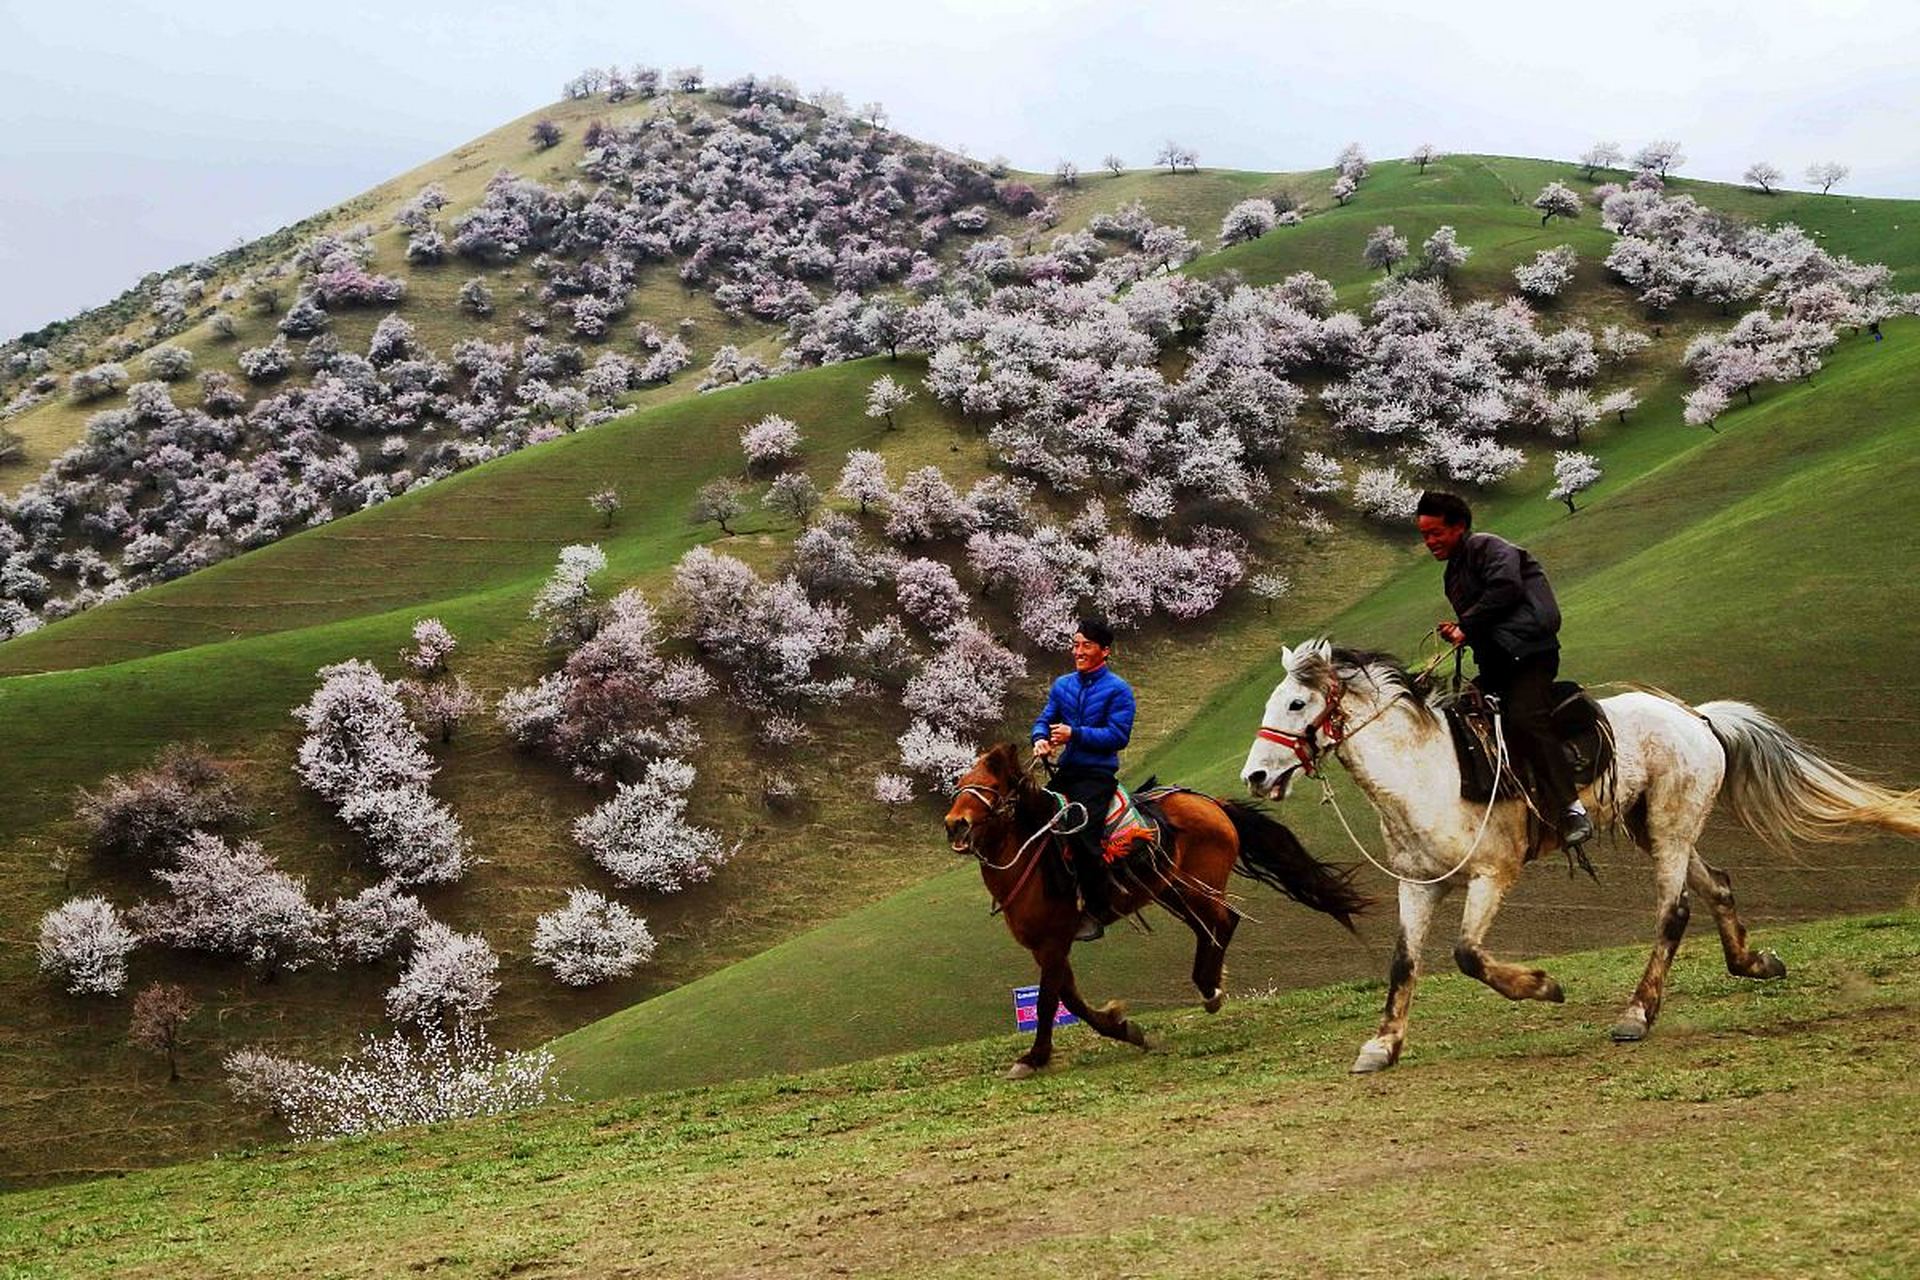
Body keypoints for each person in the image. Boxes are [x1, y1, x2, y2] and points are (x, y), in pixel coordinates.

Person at [1415, 491, 1594, 849]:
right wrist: (1461, 632)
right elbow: (1485, 619)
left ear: (1459, 527)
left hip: (1531, 656)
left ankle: (1571, 807)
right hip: (1497, 663)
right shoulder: (1453, 574)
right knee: (1460, 719)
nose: (1430, 542)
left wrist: (1467, 625)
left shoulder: (1488, 547)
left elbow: (1506, 588)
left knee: (1525, 718)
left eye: (1436, 533)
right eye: (1425, 536)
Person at [1031, 618, 1136, 941]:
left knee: (1082, 837)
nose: (1078, 651)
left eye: (1086, 645)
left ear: (1105, 651)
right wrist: (1040, 739)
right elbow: (1045, 719)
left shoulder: (1118, 690)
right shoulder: (1062, 685)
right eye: (1075, 644)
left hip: (1097, 775)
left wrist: (1074, 733)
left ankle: (1095, 910)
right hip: (1067, 772)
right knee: (1035, 823)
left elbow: (1118, 736)